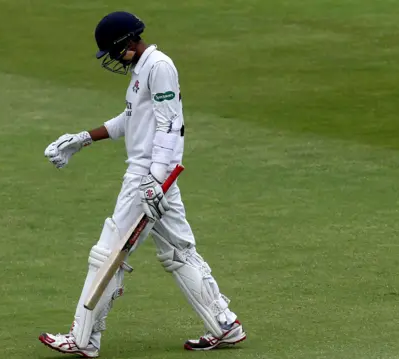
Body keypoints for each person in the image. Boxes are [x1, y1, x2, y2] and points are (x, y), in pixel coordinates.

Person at [39, 11, 246, 358]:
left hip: (147, 176)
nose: (113, 59)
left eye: (113, 51)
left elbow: (170, 125)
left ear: (126, 43)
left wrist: (155, 179)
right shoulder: (142, 70)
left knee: (107, 255)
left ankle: (83, 338)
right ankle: (225, 325)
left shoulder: (159, 66)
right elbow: (131, 119)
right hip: (155, 176)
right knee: (179, 253)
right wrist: (82, 139)